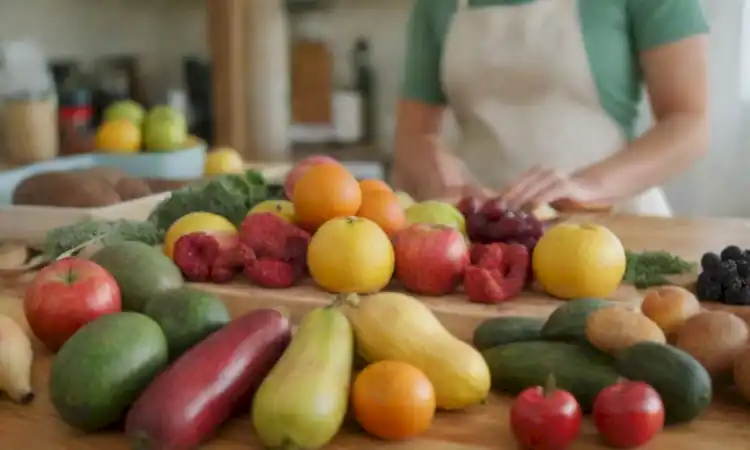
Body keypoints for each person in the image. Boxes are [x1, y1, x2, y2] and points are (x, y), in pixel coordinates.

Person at [393, 0, 709, 216]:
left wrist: (587, 186)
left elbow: (689, 121)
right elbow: (412, 135)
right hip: (484, 235)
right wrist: (432, 168)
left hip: (612, 229)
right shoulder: (435, 5)